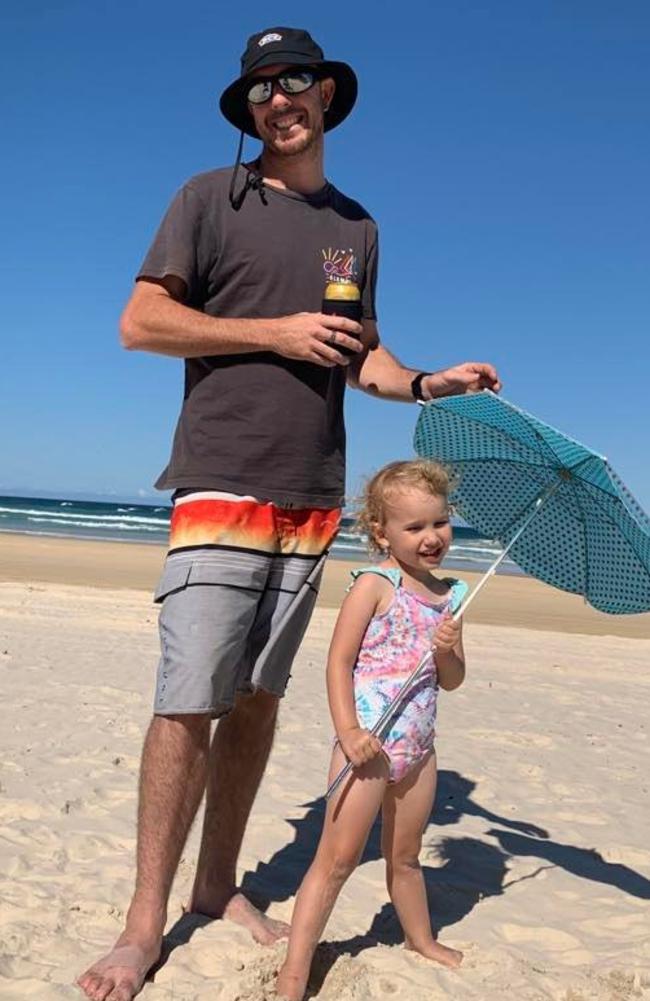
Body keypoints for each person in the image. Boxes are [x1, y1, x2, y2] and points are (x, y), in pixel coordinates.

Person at [77, 26, 500, 1001]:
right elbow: (140, 321)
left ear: (327, 97)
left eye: (296, 80)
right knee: (188, 697)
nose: (281, 98)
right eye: (263, 86)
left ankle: (217, 882)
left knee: (259, 702)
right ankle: (145, 925)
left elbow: (363, 358)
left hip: (313, 493)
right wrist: (273, 329)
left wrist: (430, 381)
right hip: (221, 476)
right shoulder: (206, 197)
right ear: (250, 109)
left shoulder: (357, 228)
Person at [276, 459, 466, 1001]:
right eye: (415, 527)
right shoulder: (375, 587)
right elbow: (337, 664)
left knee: (405, 855)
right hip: (368, 746)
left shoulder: (452, 596)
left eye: (440, 522)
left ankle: (420, 939)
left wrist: (449, 650)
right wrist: (349, 730)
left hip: (419, 750)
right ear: (382, 532)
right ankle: (294, 971)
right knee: (334, 860)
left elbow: (451, 681)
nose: (432, 538)